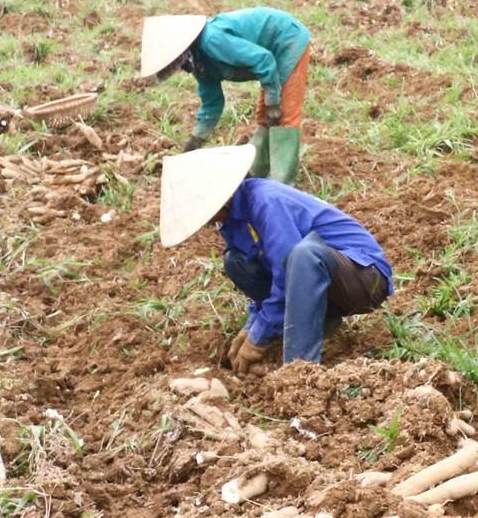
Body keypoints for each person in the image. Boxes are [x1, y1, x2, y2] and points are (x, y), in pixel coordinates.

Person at [159, 145, 393, 374]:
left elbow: (286, 269)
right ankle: (321, 321)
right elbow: (268, 271)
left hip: (364, 277)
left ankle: (299, 372)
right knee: (235, 261)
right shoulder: (231, 222)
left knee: (304, 254)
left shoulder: (266, 201)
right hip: (319, 280)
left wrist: (259, 336)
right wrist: (252, 325)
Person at [139, 6, 313, 183]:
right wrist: (195, 142)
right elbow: (212, 104)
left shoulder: (212, 40)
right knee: (265, 116)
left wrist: (273, 100)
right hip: (271, 53)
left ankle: (281, 186)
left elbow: (263, 60)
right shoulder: (198, 61)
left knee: (282, 115)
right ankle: (253, 175)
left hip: (286, 40)